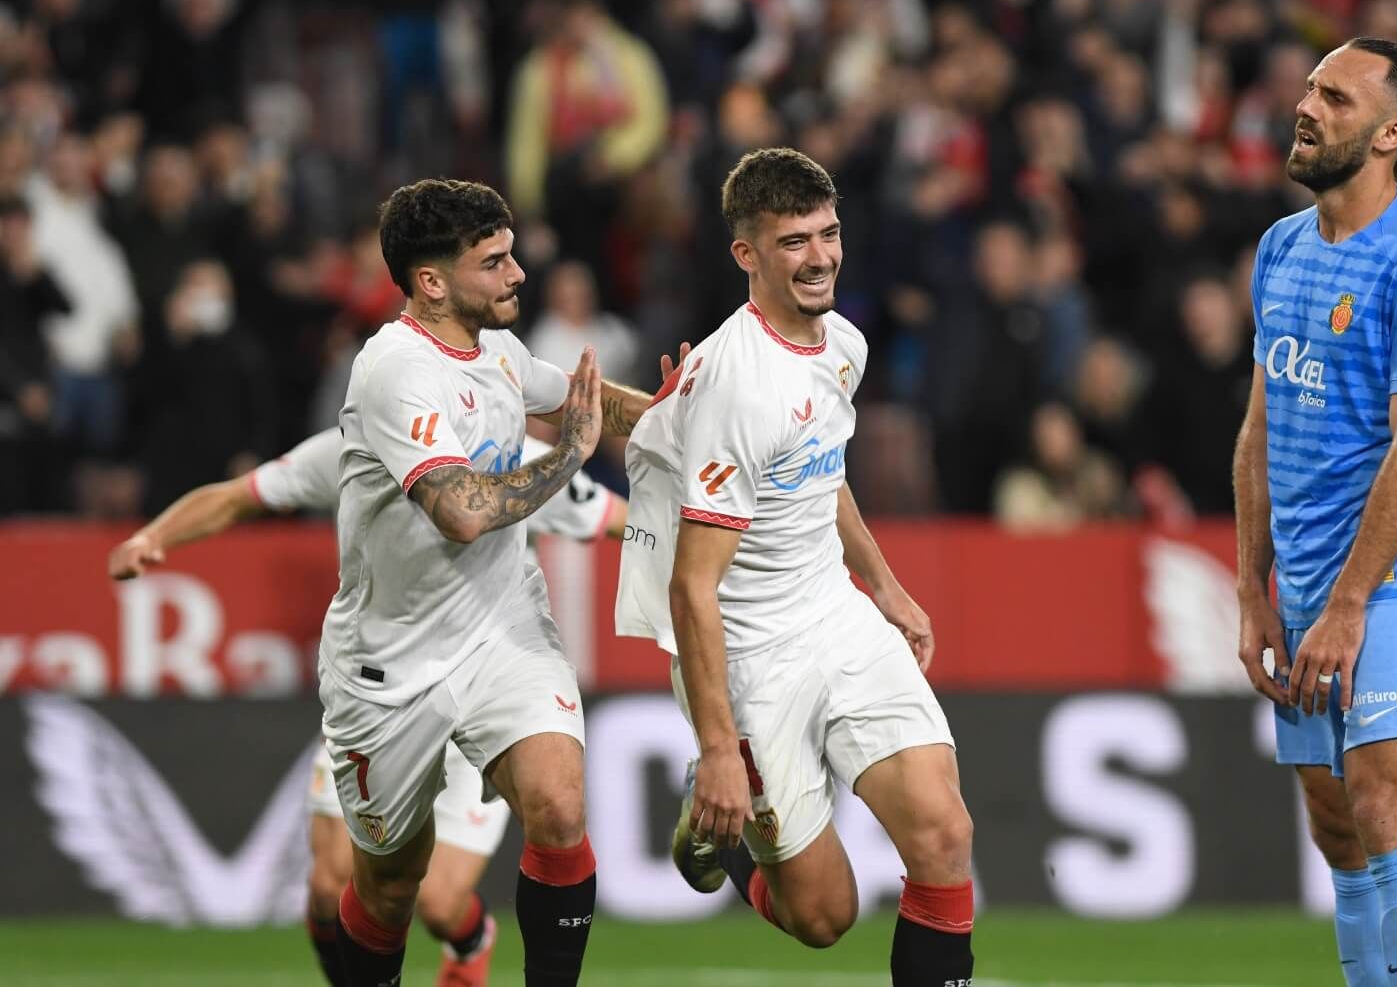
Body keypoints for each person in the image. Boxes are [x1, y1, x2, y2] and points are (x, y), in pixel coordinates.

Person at [616, 147, 975, 987]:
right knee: (823, 918)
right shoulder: (738, 385)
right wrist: (717, 749)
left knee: (944, 834)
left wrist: (884, 587)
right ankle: (719, 831)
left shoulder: (842, 342)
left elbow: (820, 470)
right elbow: (692, 586)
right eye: (793, 242)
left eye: (828, 234)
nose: (820, 258)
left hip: (835, 616)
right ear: (747, 254)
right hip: (750, 659)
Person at [107, 427, 626, 987]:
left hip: (486, 687)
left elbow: (618, 518)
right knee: (330, 889)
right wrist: (152, 536)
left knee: (440, 903)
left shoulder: (512, 452)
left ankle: (471, 940)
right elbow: (241, 496)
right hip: (380, 690)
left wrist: (695, 547)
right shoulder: (357, 444)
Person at [317, 178, 651, 987]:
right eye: (494, 261)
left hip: (502, 630)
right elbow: (462, 513)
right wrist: (570, 455)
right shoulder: (395, 370)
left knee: (560, 809)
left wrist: (694, 422)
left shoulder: (498, 350)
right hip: (390, 662)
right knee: (392, 885)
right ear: (432, 282)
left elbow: (588, 402)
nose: (518, 274)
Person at [1232, 38, 1397, 987]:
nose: (1305, 106)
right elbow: (1259, 434)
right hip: (1301, 589)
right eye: (1309, 88)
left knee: (1382, 803)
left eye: (1334, 97)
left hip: (1396, 584)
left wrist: (1348, 605)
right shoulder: (1280, 248)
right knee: (1335, 823)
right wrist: (1253, 592)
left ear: (1391, 134)